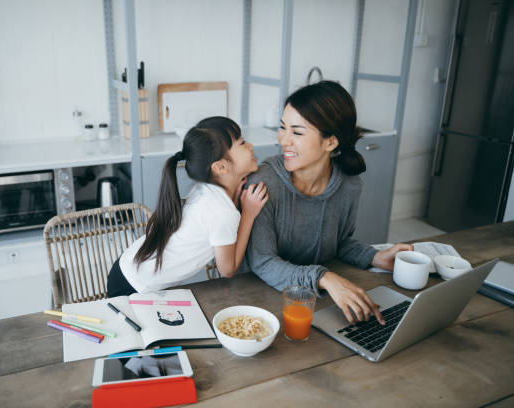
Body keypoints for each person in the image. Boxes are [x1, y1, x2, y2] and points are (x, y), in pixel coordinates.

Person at [245, 81, 413, 325]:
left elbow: (338, 243)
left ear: (331, 142)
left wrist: (376, 257)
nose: (284, 140)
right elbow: (263, 262)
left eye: (297, 132)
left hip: (314, 305)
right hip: (258, 306)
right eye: (283, 128)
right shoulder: (264, 182)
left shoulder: (350, 186)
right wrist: (326, 278)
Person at [107, 116, 268, 297]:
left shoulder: (208, 190)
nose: (251, 146)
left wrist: (236, 200)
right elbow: (227, 270)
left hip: (126, 268)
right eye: (242, 143)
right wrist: (248, 213)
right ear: (221, 167)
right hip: (132, 287)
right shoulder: (223, 212)